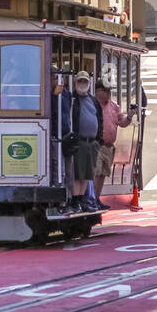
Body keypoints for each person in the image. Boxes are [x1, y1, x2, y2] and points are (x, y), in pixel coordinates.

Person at [54, 70, 104, 212]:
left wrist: (99, 139)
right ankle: (75, 201)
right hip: (79, 141)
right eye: (80, 81)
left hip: (92, 143)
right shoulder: (71, 98)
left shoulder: (93, 100)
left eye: (85, 81)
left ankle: (82, 200)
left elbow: (100, 119)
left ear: (89, 83)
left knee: (87, 175)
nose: (82, 84)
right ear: (75, 83)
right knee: (77, 174)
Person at [93, 82, 133, 209]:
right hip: (97, 144)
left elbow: (122, 123)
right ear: (98, 91)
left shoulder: (114, 106)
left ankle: (97, 199)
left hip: (109, 146)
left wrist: (130, 117)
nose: (109, 94)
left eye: (110, 91)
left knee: (102, 174)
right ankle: (91, 199)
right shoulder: (92, 105)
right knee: (96, 172)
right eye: (106, 90)